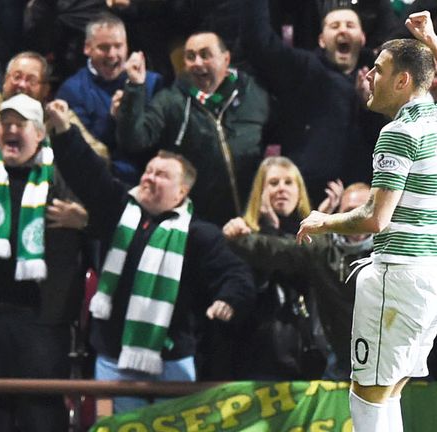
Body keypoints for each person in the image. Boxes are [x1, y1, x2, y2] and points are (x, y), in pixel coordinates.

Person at [296, 11, 437, 432]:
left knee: (367, 395)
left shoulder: (399, 133)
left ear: (402, 81)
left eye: (379, 71)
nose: (368, 77)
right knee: (391, 387)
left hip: (400, 277)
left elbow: (375, 217)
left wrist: (324, 220)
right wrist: (433, 40)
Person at [46, 98, 256, 413]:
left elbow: (237, 275)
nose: (149, 178)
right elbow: (89, 175)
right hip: (114, 358)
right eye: (148, 171)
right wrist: (64, 132)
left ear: (182, 192)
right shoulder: (120, 209)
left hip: (172, 362)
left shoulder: (198, 234)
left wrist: (228, 298)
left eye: (161, 175)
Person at [0, 94, 83, 431]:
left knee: (40, 414)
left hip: (42, 320)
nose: (11, 130)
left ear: (40, 133)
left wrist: (84, 220)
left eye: (20, 124)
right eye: (5, 123)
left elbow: (108, 213)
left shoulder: (63, 175)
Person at [114, 31, 271, 226]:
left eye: (205, 55)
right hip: (201, 223)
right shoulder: (171, 101)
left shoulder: (253, 94)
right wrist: (135, 88)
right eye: (190, 56)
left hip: (254, 218)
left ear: (226, 58)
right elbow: (134, 139)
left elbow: (277, 138)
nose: (197, 62)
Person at [240, 0, 387, 205]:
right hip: (307, 198)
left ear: (363, 38)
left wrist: (369, 105)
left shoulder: (382, 78)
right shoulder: (303, 68)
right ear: (321, 40)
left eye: (350, 25)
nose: (342, 30)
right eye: (334, 26)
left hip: (360, 197)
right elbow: (260, 42)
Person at [226, 182, 373, 380]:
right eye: (348, 211)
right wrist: (238, 238)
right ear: (338, 214)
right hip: (343, 359)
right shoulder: (321, 248)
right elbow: (277, 249)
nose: (354, 218)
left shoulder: (395, 247)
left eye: (362, 211)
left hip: (395, 357)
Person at [199, 156, 323, 380]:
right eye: (273, 183)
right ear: (260, 192)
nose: (281, 189)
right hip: (256, 356)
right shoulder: (241, 236)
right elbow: (249, 282)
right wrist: (268, 228)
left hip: (305, 354)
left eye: (288, 183)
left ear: (300, 190)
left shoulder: (315, 239)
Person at [56, 12, 163, 184]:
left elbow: (156, 142)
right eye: (103, 47)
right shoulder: (72, 90)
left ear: (127, 46)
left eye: (118, 46)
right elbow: (84, 150)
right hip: (100, 182)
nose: (112, 54)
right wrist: (112, 119)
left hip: (149, 179)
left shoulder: (152, 83)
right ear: (87, 48)